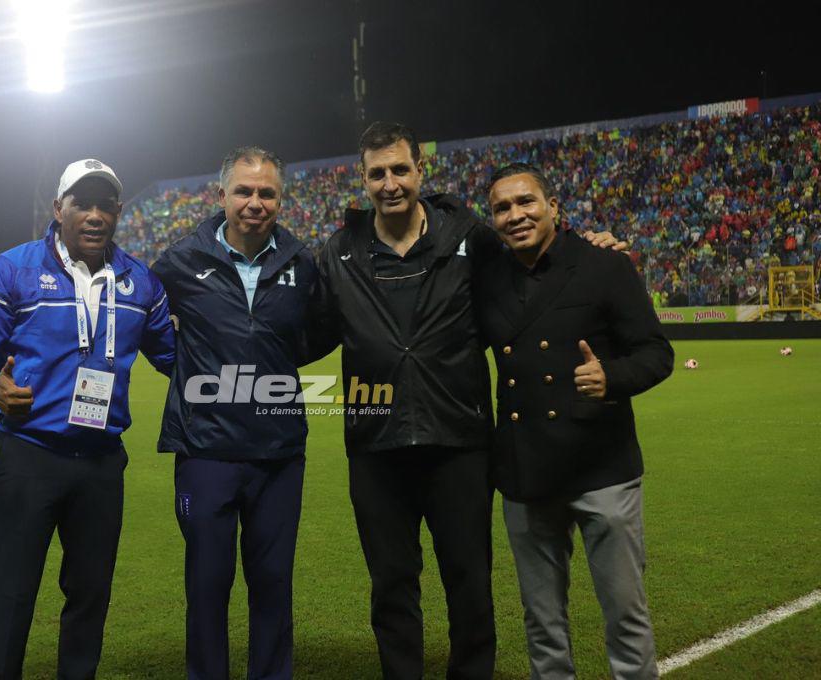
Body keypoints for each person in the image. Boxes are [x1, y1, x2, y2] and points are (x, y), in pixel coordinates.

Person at [308, 122, 624, 680]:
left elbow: (537, 259)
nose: (389, 183)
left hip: (460, 443)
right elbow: (304, 330)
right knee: (391, 586)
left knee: (470, 584)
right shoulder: (339, 252)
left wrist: (589, 244)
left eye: (399, 169)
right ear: (362, 179)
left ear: (420, 172)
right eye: (377, 173)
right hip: (376, 445)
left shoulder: (471, 239)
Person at [0, 158, 175, 680]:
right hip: (28, 457)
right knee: (11, 592)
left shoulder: (140, 282)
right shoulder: (13, 268)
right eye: (82, 204)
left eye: (105, 205)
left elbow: (175, 358)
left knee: (90, 595)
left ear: (119, 211)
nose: (95, 215)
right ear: (59, 209)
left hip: (100, 465)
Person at [474, 162, 673, 680]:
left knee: (625, 617)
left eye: (526, 202)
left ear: (553, 207)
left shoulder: (604, 264)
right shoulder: (487, 275)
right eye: (502, 208)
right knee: (542, 623)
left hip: (601, 470)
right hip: (524, 473)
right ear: (491, 219)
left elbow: (656, 353)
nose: (515, 215)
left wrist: (612, 377)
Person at [151, 146, 317, 680]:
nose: (255, 202)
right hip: (206, 452)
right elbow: (143, 320)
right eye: (243, 191)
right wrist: (179, 365)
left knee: (273, 585)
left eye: (266, 192)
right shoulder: (179, 261)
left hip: (278, 454)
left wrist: (271, 360)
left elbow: (317, 334)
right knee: (206, 586)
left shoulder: (302, 261)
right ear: (220, 195)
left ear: (280, 199)